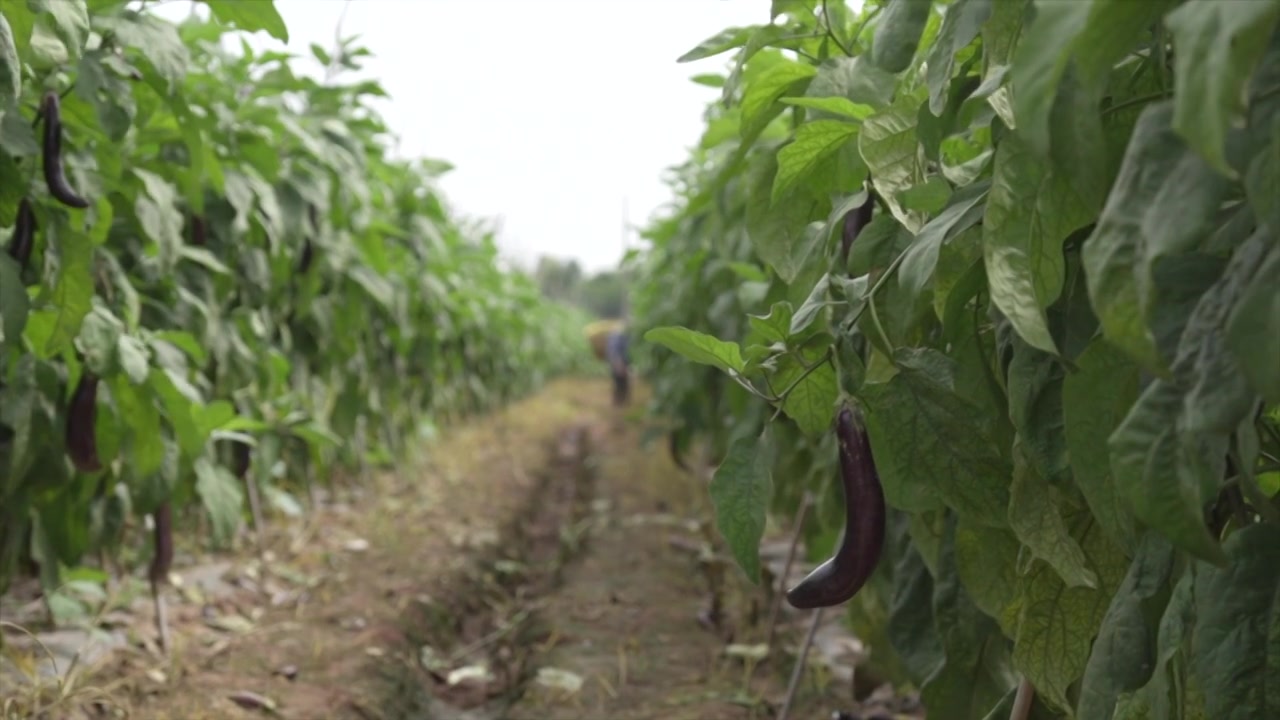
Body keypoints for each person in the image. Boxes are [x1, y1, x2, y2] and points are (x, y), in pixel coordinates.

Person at [604, 327, 630, 406]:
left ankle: (621, 401)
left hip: (619, 362)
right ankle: (619, 401)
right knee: (620, 382)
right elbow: (615, 352)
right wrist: (619, 363)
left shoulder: (619, 336)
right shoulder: (618, 337)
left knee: (621, 381)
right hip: (618, 362)